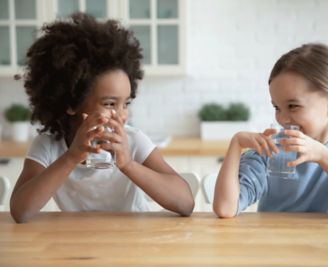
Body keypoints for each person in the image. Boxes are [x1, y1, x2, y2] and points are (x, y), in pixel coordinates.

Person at [10, 13, 194, 223]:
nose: (122, 115)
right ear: (71, 104)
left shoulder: (133, 141)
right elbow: (20, 211)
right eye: (109, 104)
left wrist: (128, 165)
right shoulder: (49, 146)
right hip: (79, 245)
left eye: (125, 104)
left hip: (132, 240)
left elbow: (186, 203)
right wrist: (71, 157)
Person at [213, 43, 328, 220]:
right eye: (277, 107)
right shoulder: (271, 147)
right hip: (273, 244)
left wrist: (323, 155)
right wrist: (236, 144)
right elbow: (225, 208)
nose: (282, 119)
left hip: (327, 245)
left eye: (293, 106)